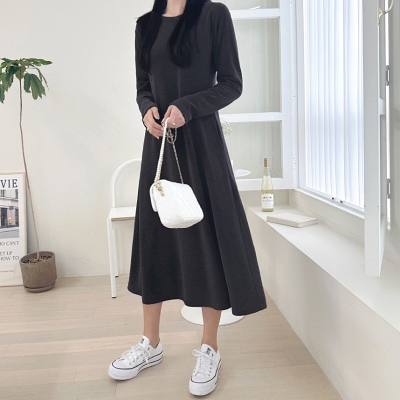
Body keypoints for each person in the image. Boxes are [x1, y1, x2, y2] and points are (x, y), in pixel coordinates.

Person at [108, 0, 267, 396]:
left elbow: (231, 83)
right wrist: (147, 110)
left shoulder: (213, 15)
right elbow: (143, 86)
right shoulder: (145, 25)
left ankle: (210, 347)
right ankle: (151, 344)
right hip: (159, 145)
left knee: (206, 239)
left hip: (202, 147)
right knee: (155, 239)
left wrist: (187, 108)